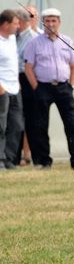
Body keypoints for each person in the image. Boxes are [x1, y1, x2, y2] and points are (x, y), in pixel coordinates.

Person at [23, 8, 74, 170]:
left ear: (59, 23)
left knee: (71, 124)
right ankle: (44, 161)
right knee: (40, 125)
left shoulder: (67, 41)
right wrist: (36, 87)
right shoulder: (34, 43)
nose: (51, 24)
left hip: (64, 87)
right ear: (43, 22)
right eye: (48, 21)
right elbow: (28, 67)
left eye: (54, 21)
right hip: (42, 86)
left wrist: (72, 85)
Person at [0, 10, 24, 170]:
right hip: (2, 88)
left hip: (15, 88)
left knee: (16, 125)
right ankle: (0, 159)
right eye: (15, 23)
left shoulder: (13, 39)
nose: (18, 26)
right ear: (5, 24)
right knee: (1, 125)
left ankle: (9, 158)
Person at [14, 9, 38, 166]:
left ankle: (30, 155)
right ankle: (14, 155)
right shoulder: (13, 37)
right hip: (14, 79)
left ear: (21, 23)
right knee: (16, 118)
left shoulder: (33, 38)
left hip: (26, 79)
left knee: (29, 118)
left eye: (16, 22)